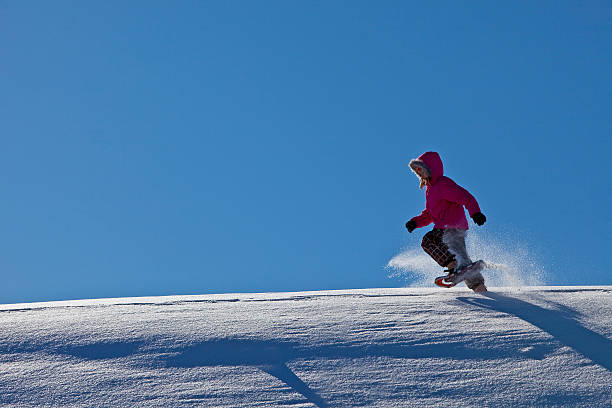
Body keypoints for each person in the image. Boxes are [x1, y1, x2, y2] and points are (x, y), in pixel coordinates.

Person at [405, 151, 488, 292]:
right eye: (417, 171)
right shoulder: (430, 190)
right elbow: (429, 215)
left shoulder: (443, 184)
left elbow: (465, 197)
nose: (419, 174)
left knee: (429, 241)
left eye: (421, 169)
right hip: (451, 227)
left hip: (450, 227)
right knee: (464, 261)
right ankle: (479, 288)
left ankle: (454, 265)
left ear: (430, 169)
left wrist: (475, 213)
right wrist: (415, 222)